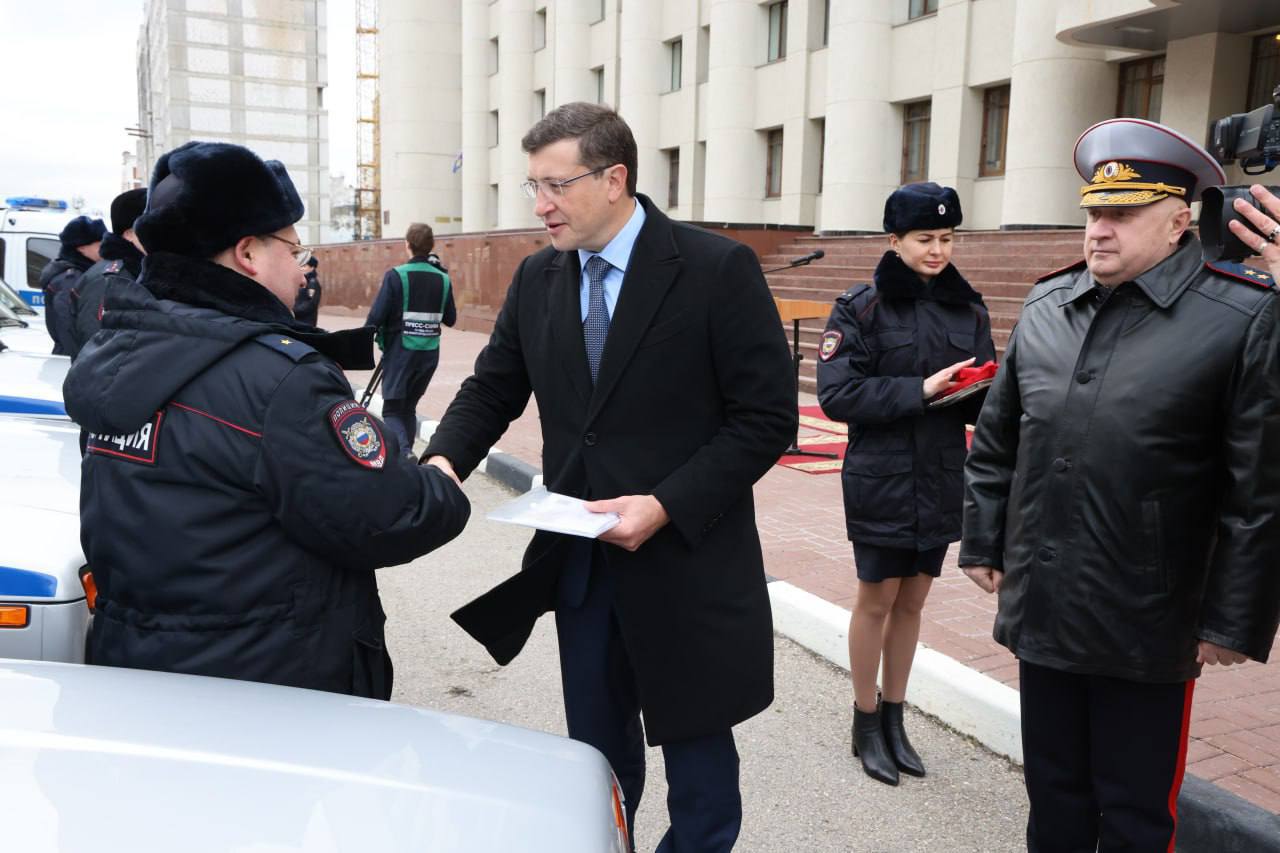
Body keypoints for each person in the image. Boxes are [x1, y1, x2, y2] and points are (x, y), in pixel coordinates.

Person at [423, 102, 797, 851]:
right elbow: (494, 387)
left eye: (555, 185)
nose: (541, 206)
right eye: (533, 187)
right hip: (583, 566)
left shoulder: (715, 269)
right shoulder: (537, 280)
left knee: (700, 774)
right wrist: (441, 462)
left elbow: (764, 419)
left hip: (686, 561)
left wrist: (663, 504)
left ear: (615, 178)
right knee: (595, 761)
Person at [960, 118, 1280, 852]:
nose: (1098, 231)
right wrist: (983, 537)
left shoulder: (1241, 317)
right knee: (1054, 797)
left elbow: (1256, 490)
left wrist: (1232, 620)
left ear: (1177, 222)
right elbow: (998, 442)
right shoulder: (1048, 307)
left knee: (1136, 812)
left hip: (1149, 618)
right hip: (1043, 610)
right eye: (1093, 213)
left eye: (1121, 214)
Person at [63, 141, 471, 699]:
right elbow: (386, 514)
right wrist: (441, 484)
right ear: (248, 254)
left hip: (137, 677)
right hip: (267, 693)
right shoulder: (280, 379)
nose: (304, 272)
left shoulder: (119, 350)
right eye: (293, 250)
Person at [816, 183, 995, 786]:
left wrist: (984, 392)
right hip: (882, 478)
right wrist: (920, 390)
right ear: (894, 241)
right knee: (877, 600)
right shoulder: (861, 308)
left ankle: (896, 717)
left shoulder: (969, 310)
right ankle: (865, 720)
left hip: (940, 475)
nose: (938, 250)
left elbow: (981, 403)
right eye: (925, 239)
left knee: (913, 602)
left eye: (947, 239)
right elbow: (837, 395)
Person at [366, 223, 457, 456]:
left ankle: (405, 455)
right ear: (431, 246)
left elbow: (376, 316)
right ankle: (407, 456)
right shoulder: (443, 279)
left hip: (400, 354)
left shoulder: (396, 276)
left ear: (407, 245)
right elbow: (451, 319)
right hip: (428, 355)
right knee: (408, 409)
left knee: (392, 411)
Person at [69, 188, 148, 357]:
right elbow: (94, 349)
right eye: (152, 225)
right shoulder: (109, 280)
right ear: (130, 234)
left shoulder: (135, 272)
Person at [39, 214, 104, 355]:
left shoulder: (81, 273)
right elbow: (67, 327)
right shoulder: (70, 279)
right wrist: (83, 361)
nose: (105, 248)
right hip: (72, 361)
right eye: (100, 244)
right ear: (81, 248)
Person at [293, 255, 323, 326]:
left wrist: (296, 310)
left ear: (312, 268)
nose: (301, 268)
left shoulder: (312, 282)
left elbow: (311, 302)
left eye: (304, 266)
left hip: (306, 321)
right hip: (299, 319)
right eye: (301, 265)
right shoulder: (303, 281)